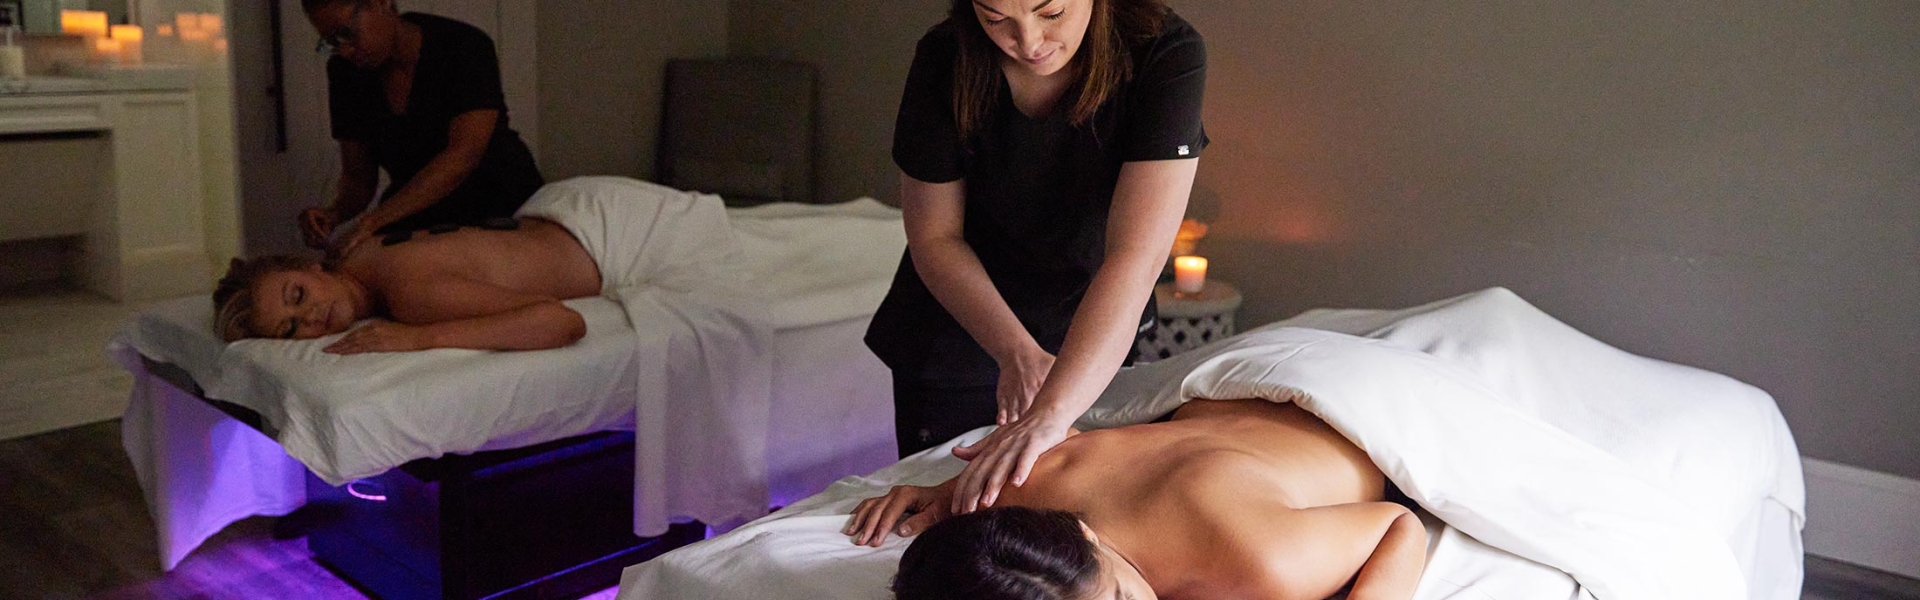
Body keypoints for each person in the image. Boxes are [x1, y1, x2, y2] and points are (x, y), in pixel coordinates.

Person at [863, 0, 1209, 514]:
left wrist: (1052, 411)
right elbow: (935, 239)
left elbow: (1135, 257)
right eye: (995, 18)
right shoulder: (946, 57)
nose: (1027, 42)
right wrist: (1016, 353)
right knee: (954, 528)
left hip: (1093, 330)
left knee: (1069, 524)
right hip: (959, 328)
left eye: (1051, 13)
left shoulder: (1162, 51)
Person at [844, 399, 1428, 600]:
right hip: (1218, 400)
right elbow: (1057, 443)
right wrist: (943, 494)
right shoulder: (1018, 488)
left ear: (1086, 535)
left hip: (1347, 410)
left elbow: (1397, 523)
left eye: (1123, 598)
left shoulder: (1261, 561)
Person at [214, 178, 721, 354]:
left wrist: (422, 338)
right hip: (571, 207)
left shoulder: (409, 296)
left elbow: (563, 322)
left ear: (312, 269)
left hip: (614, 236)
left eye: (297, 296)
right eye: (290, 329)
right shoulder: (357, 250)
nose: (309, 317)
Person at [298, 0, 545, 257]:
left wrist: (373, 221)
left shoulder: (463, 45)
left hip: (499, 201)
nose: (345, 50)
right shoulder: (345, 72)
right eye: (331, 42)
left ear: (381, 3)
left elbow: (462, 157)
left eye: (345, 33)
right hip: (419, 212)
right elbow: (358, 179)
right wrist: (334, 214)